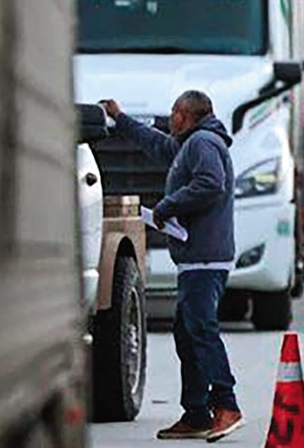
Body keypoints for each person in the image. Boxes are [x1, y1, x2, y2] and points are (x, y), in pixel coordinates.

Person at [102, 91, 244, 442]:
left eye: (173, 113)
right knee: (188, 333)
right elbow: (155, 144)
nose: (169, 118)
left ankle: (226, 406)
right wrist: (120, 119)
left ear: (185, 114)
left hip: (205, 256)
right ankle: (196, 414)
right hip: (196, 256)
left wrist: (167, 206)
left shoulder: (203, 143)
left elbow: (211, 184)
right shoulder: (187, 145)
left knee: (201, 331)